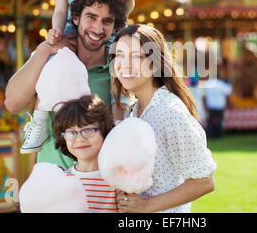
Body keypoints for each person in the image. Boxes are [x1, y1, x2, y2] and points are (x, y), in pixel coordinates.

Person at [4, 0, 127, 168]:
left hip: (99, 184)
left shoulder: (119, 70)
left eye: (107, 21)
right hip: (54, 183)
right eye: (91, 17)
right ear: (76, 18)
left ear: (114, 26)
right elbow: (13, 104)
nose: (98, 28)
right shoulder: (51, 59)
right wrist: (46, 48)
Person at [110, 24, 216, 213]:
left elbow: (204, 181)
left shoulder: (169, 111)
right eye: (119, 55)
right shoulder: (133, 111)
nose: (124, 64)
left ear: (154, 63)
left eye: (136, 56)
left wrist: (145, 206)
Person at [52, 94, 118, 212]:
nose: (80, 139)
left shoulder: (119, 179)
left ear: (104, 132)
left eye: (88, 130)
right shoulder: (62, 181)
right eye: (71, 133)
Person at [203, 70, 232, 138]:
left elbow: (204, 95)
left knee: (210, 121)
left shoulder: (207, 84)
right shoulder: (221, 84)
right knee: (220, 120)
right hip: (220, 105)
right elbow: (228, 92)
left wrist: (205, 105)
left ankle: (210, 134)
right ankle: (219, 134)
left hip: (211, 105)